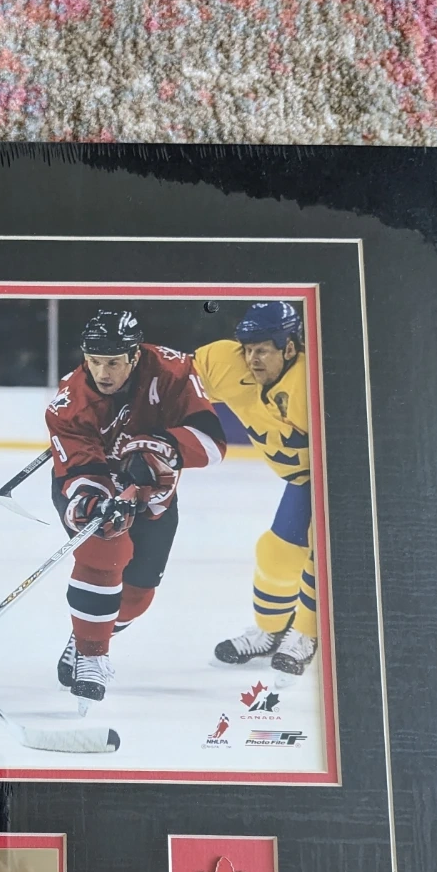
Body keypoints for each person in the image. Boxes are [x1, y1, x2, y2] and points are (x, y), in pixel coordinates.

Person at [47, 309, 227, 707]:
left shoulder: (174, 372)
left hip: (153, 490)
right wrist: (95, 500)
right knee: (105, 544)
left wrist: (161, 449)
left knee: (138, 594)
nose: (102, 373)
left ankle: (88, 633)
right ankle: (92, 656)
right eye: (94, 361)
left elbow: (213, 443)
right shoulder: (69, 402)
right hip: (94, 481)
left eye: (113, 362)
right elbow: (79, 468)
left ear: (134, 355)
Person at [190, 300, 316, 676]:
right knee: (275, 554)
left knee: (322, 557)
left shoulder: (314, 383)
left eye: (262, 350)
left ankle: (307, 634)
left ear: (289, 348)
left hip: (340, 480)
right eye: (247, 349)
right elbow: (171, 379)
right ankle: (271, 633)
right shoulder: (229, 364)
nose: (252, 359)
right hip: (303, 479)